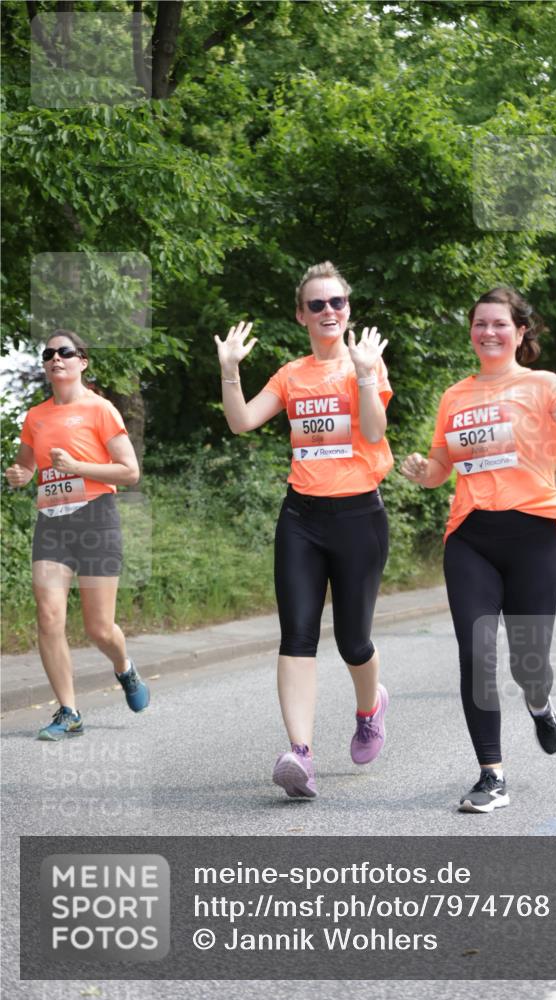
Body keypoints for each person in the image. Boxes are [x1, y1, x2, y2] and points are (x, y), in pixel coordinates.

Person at [401, 287, 556, 813]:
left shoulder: (543, 385)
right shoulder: (454, 395)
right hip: (471, 536)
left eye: (499, 324)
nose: (488, 332)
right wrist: (424, 471)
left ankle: (539, 703)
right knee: (476, 653)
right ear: (471, 332)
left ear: (519, 332)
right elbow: (441, 467)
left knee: (529, 663)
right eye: (480, 323)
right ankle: (491, 775)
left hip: (533, 534)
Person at [215, 262, 393, 799]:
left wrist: (366, 374)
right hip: (302, 519)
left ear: (348, 309)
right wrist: (229, 370)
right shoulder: (291, 374)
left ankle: (370, 708)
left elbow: (374, 431)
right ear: (302, 315)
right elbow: (242, 421)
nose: (328, 311)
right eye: (317, 304)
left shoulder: (364, 364)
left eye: (336, 302)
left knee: (354, 642)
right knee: (297, 635)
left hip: (359, 517)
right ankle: (301, 754)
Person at [4, 330, 149, 740]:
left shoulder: (100, 409)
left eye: (65, 352)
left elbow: (130, 471)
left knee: (99, 628)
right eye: (48, 353)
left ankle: (125, 668)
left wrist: (78, 467)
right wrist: (20, 475)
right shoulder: (36, 416)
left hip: (96, 519)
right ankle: (69, 711)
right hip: (52, 523)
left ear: (82, 361)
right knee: (49, 615)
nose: (55, 358)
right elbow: (26, 465)